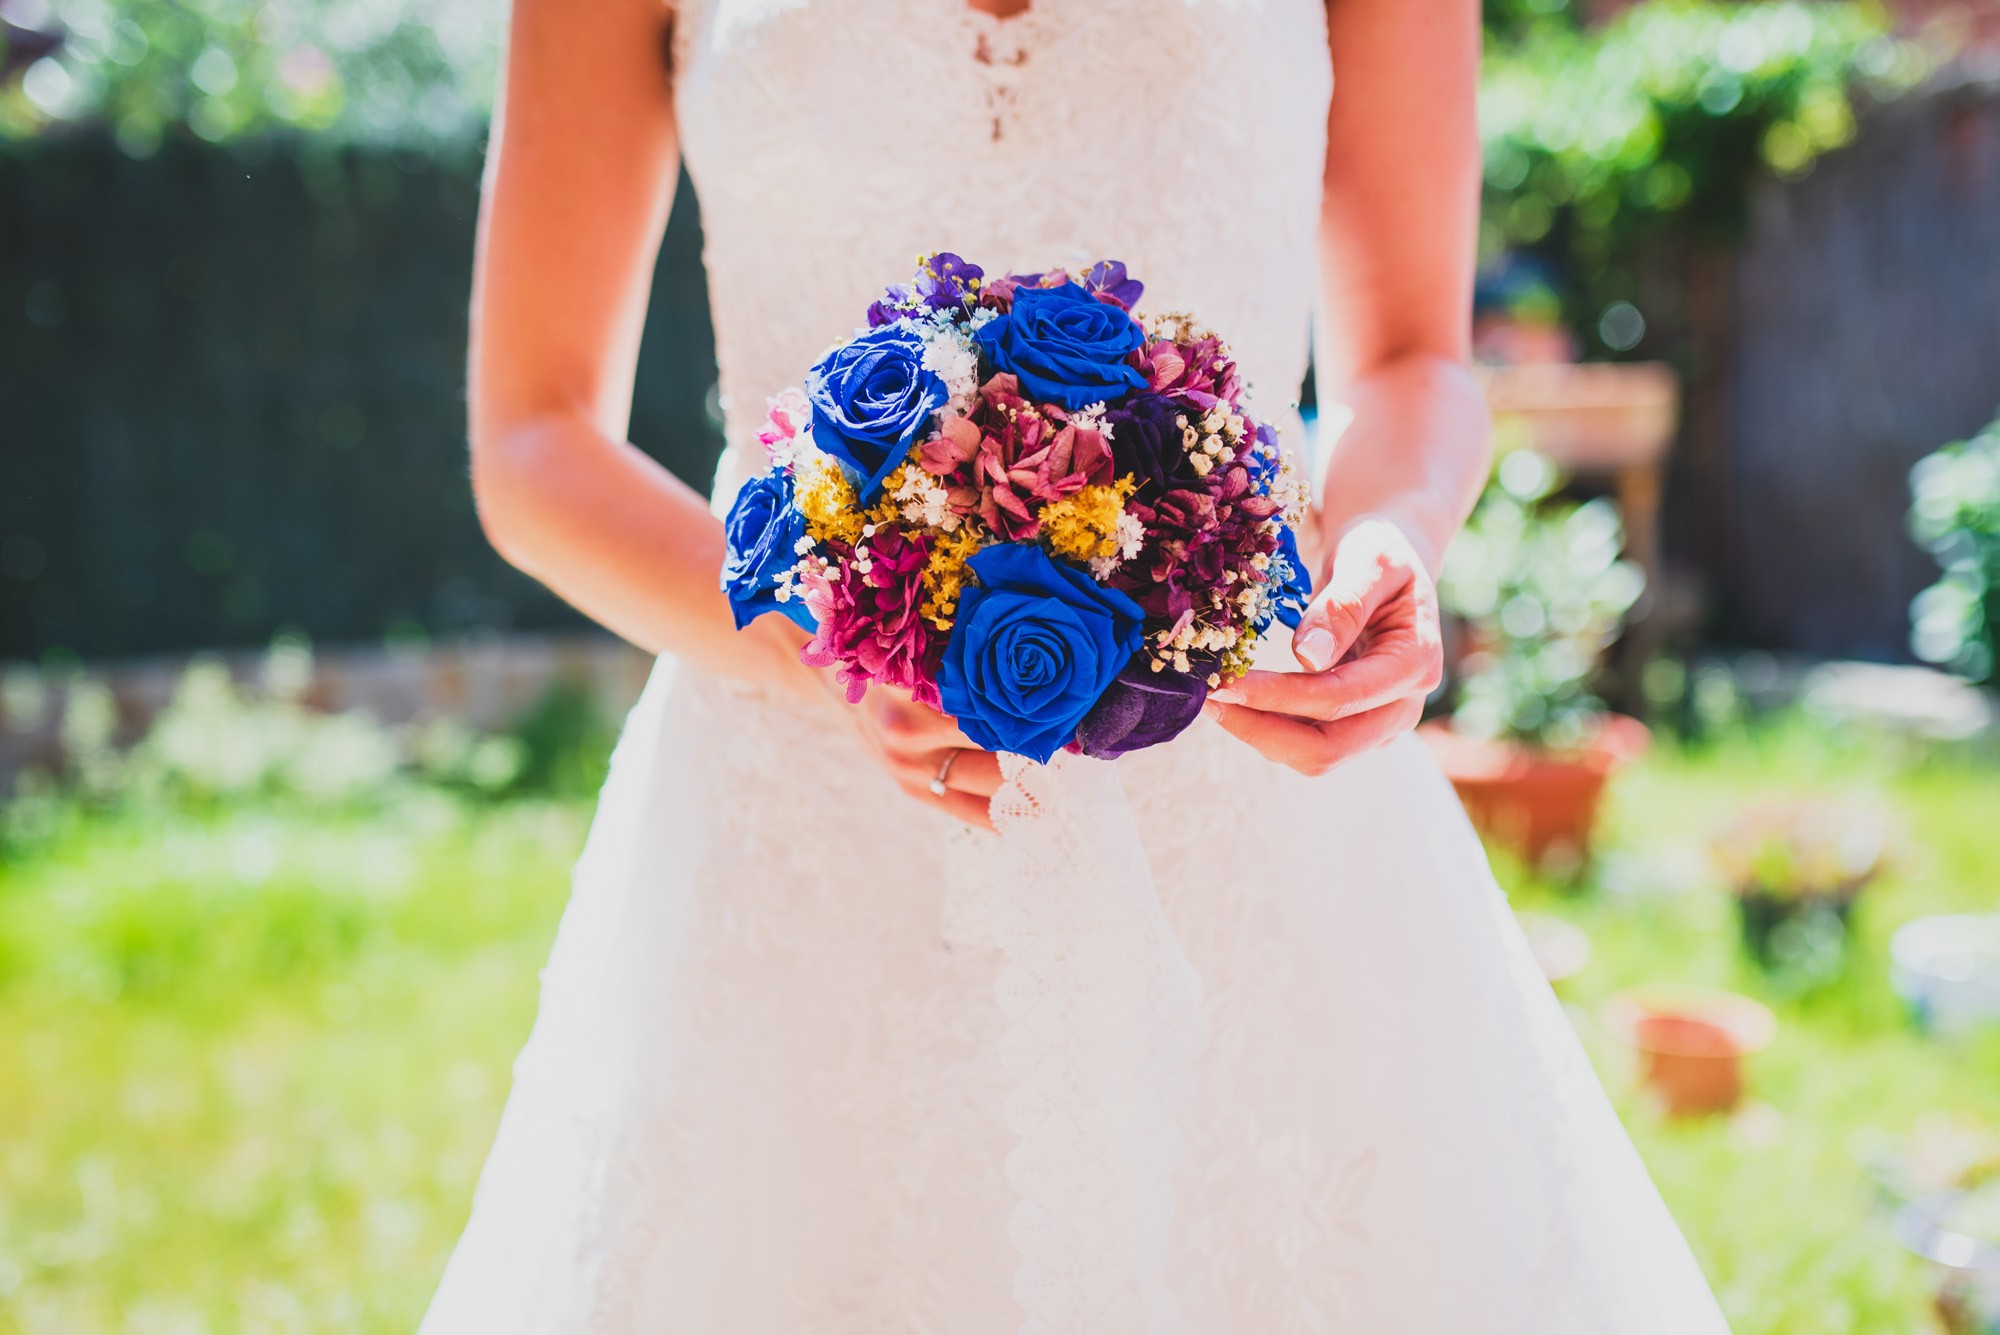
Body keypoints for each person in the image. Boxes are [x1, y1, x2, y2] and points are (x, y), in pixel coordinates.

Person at [421, 1, 1733, 1329]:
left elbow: (1407, 356)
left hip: (1247, 780)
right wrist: (824, 651)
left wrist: (1388, 540)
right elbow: (533, 444)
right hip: (796, 819)